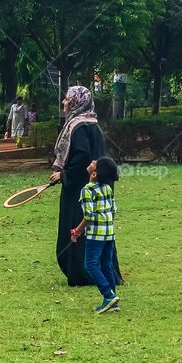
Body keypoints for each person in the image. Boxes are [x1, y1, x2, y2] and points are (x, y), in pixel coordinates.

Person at [48, 86, 121, 287]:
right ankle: (103, 271)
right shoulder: (92, 124)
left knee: (81, 227)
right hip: (98, 185)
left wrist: (63, 175)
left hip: (82, 187)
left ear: (76, 102)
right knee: (98, 227)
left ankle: (83, 273)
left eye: (67, 99)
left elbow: (82, 157)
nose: (64, 102)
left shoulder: (79, 126)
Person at [70, 157, 121, 313]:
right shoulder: (107, 188)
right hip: (109, 233)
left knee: (90, 265)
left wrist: (77, 231)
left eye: (95, 164)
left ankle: (108, 295)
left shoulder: (87, 190)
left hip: (96, 236)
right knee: (106, 266)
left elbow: (89, 216)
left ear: (95, 173)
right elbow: (113, 211)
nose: (92, 161)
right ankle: (113, 300)